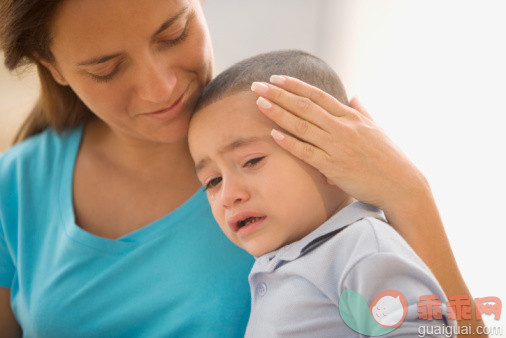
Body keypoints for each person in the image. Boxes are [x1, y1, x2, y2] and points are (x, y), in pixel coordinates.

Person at [0, 0, 484, 337]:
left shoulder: (300, 160)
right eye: (106, 68)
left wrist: (409, 195)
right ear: (53, 65)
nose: (160, 87)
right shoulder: (16, 185)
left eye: (174, 33)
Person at [188, 49, 455, 337]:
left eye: (252, 161)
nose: (229, 195)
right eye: (213, 181)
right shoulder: (281, 264)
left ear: (334, 155)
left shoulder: (361, 250)